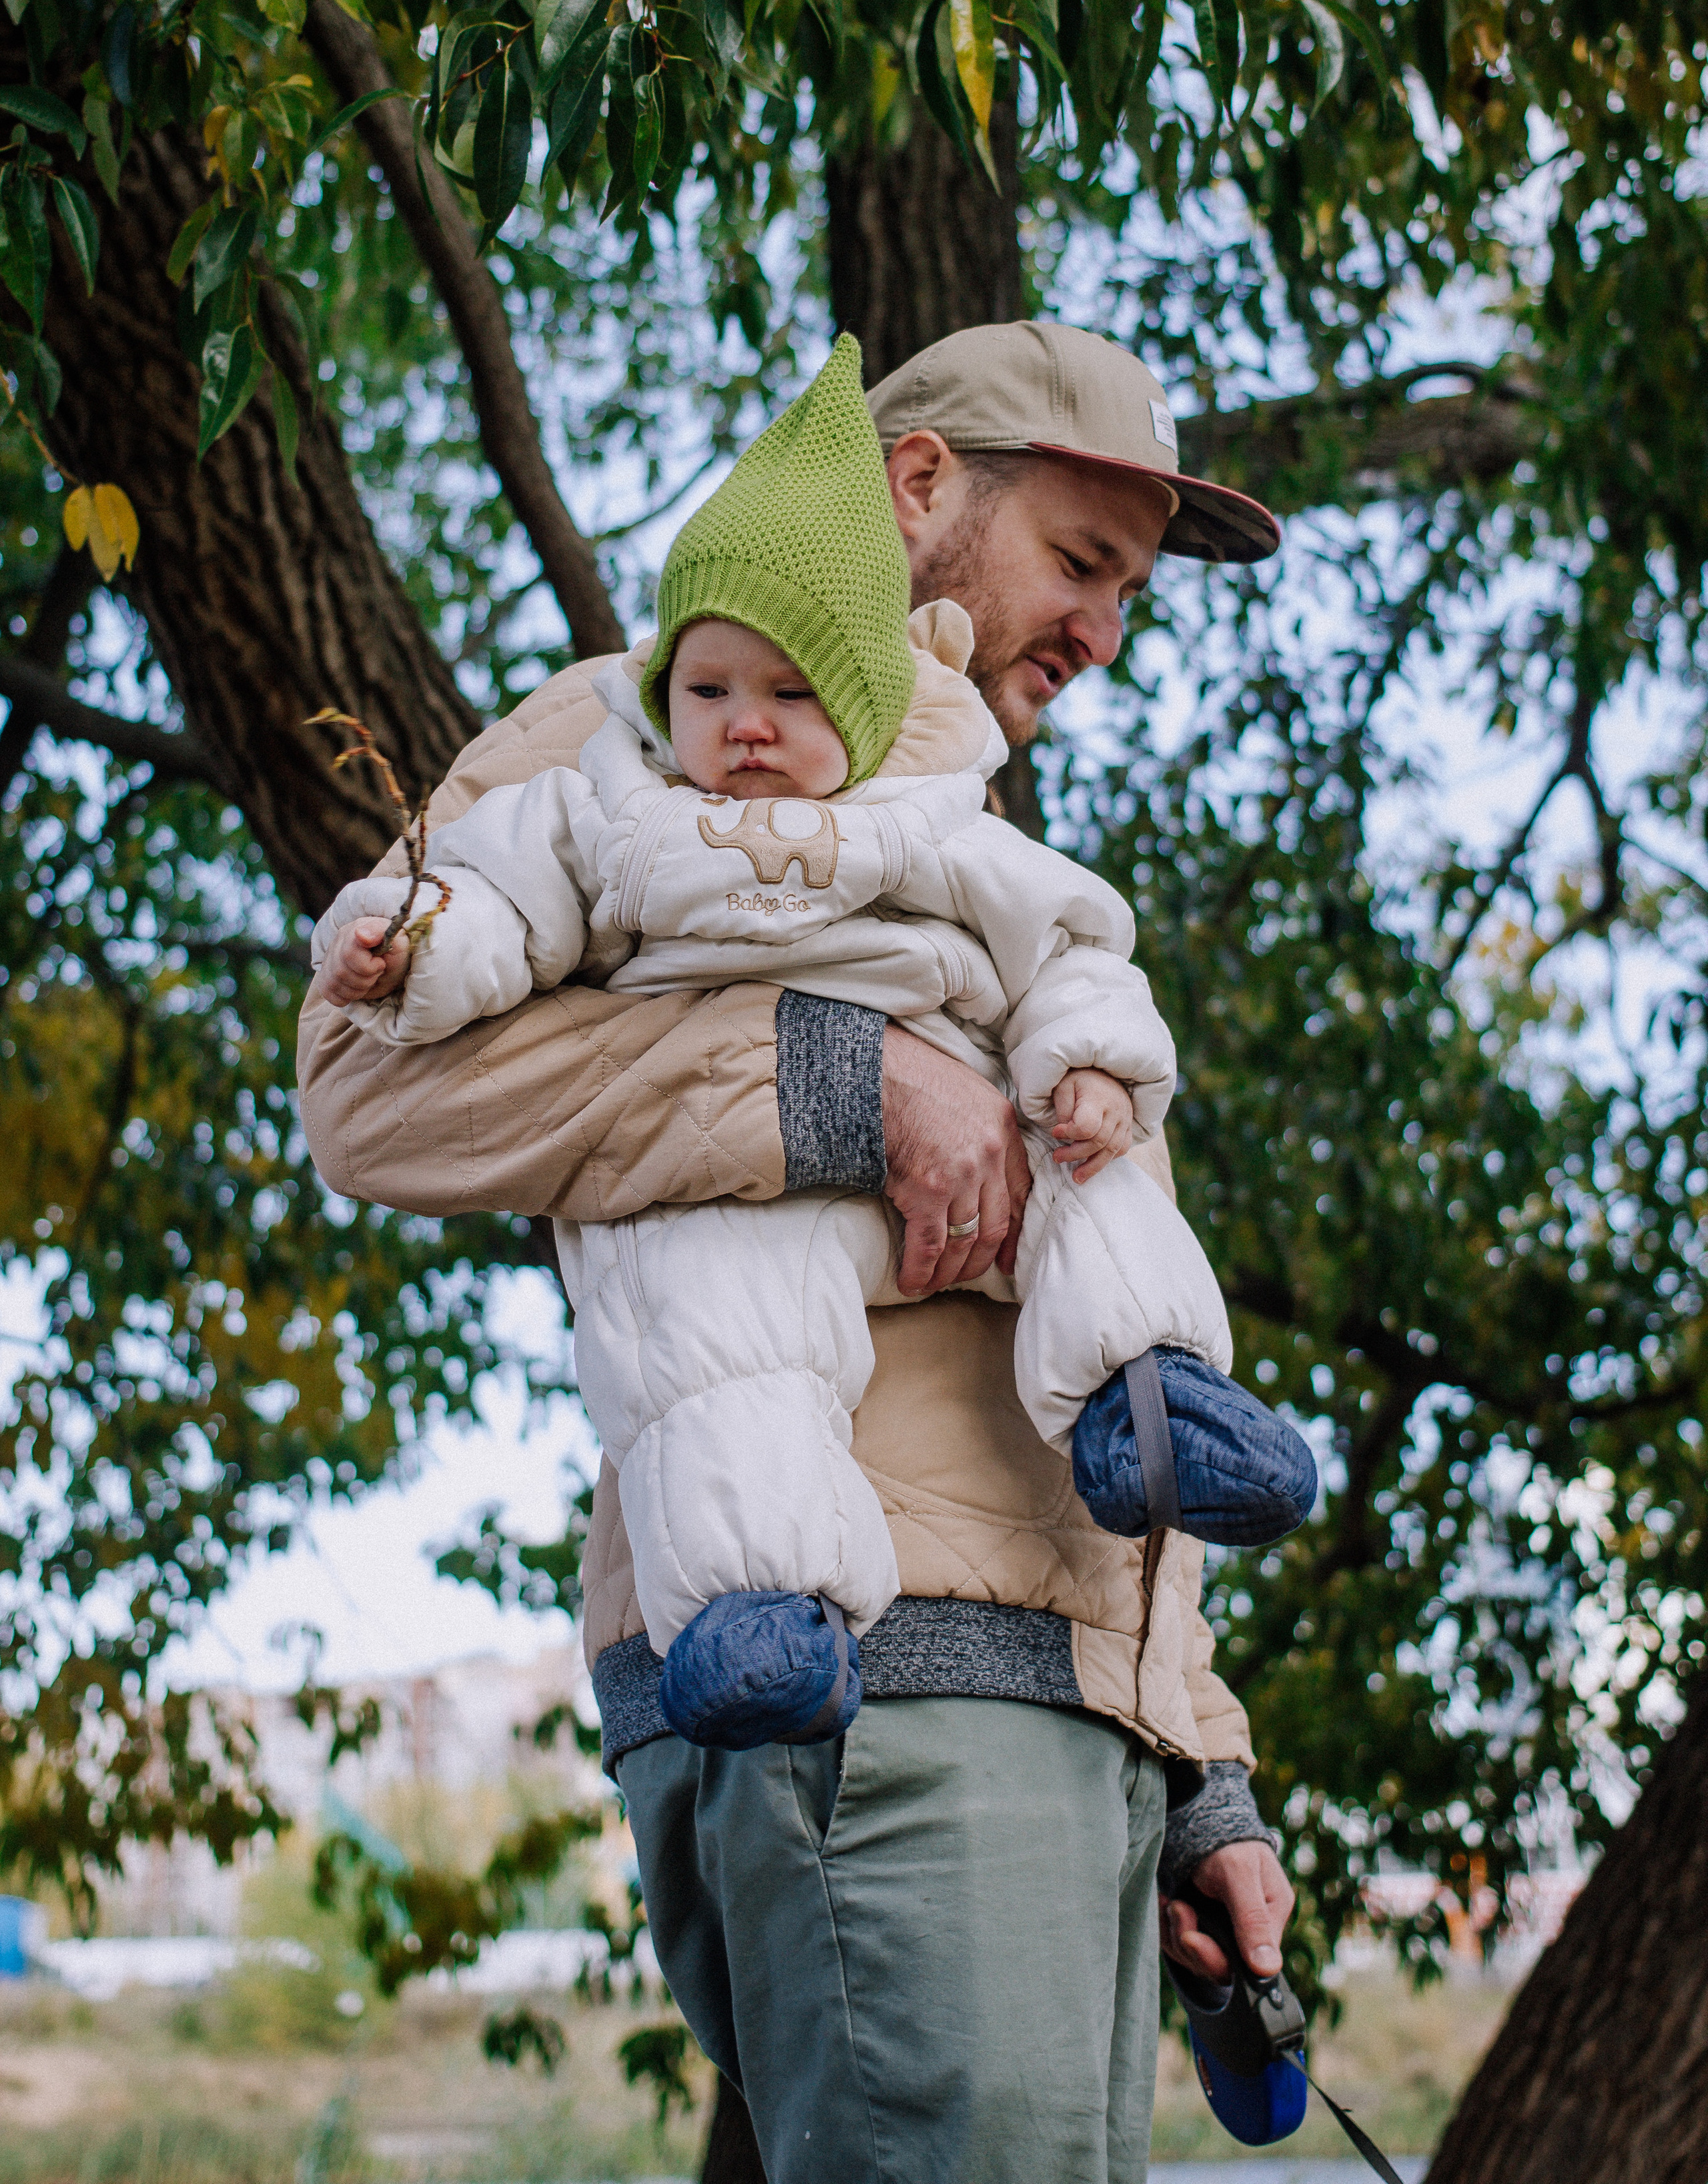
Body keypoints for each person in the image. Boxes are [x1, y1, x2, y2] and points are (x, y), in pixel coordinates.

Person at [298, 318, 1298, 2183]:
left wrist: (1203, 1773)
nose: (1103, 631)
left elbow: (1120, 1318)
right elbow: (367, 1092)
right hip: (863, 1675)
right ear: (922, 484)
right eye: (1080, 565)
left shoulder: (970, 850)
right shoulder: (631, 738)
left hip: (1072, 1721)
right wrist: (847, 1082)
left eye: (1130, 599)